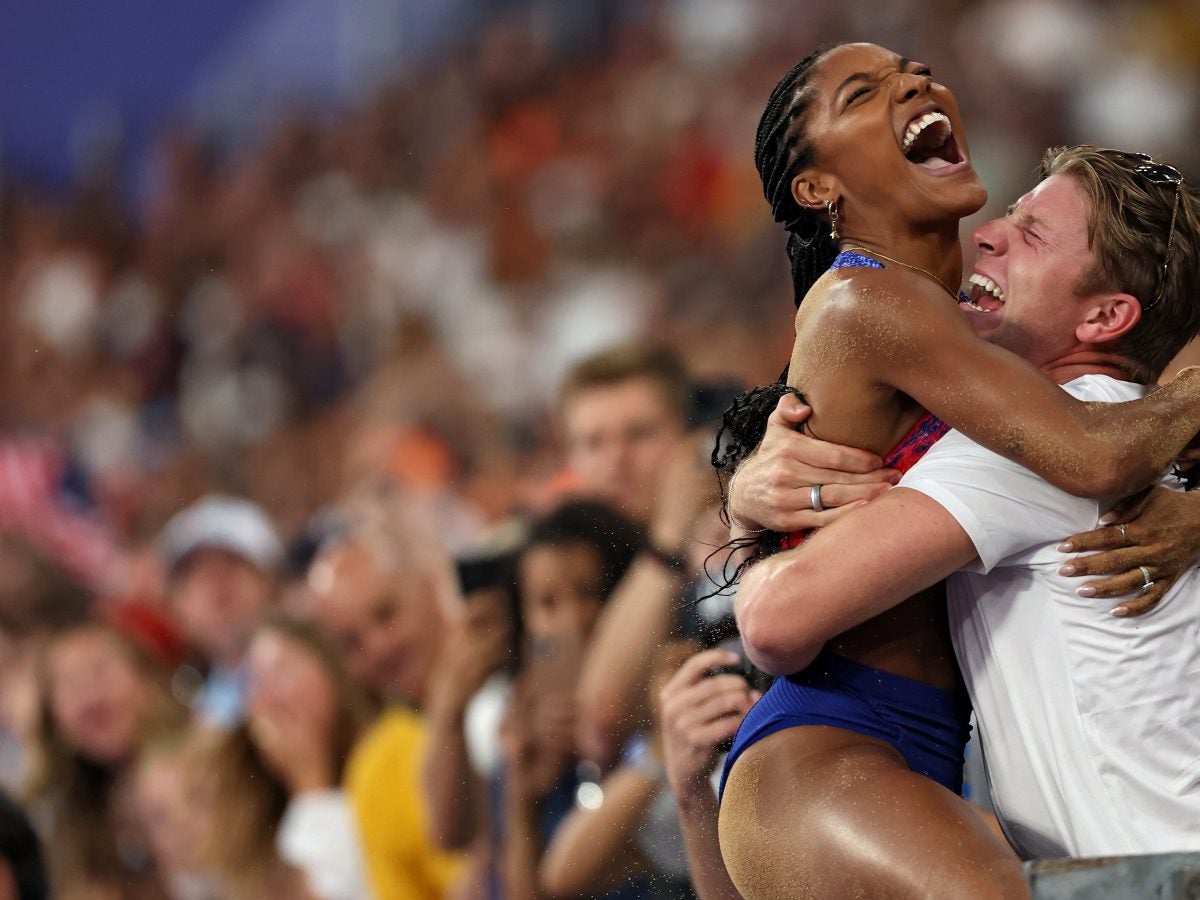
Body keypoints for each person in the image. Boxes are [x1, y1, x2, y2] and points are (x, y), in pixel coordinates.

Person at [710, 41, 1200, 899]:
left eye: (914, 70)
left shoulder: (970, 338)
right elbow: (1095, 451)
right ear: (820, 189)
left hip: (925, 756)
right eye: (867, 91)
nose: (916, 84)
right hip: (830, 744)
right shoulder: (872, 300)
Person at [562, 343, 723, 766]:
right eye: (594, 443)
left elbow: (604, 719)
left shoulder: (723, 536)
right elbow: (596, 731)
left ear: (690, 435)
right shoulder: (559, 560)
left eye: (640, 434)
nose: (617, 460)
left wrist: (672, 531)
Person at [305, 481, 467, 900]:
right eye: (351, 642)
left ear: (432, 585)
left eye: (386, 613)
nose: (378, 646)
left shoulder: (516, 674)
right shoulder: (375, 772)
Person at [26, 621, 187, 900]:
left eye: (99, 671)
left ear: (147, 677)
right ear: (54, 722)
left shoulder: (217, 763)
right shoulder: (68, 823)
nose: (89, 696)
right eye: (69, 684)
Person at [158, 494, 284, 728]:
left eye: (232, 561)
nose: (215, 579)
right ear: (175, 606)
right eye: (193, 571)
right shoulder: (196, 720)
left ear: (271, 582)